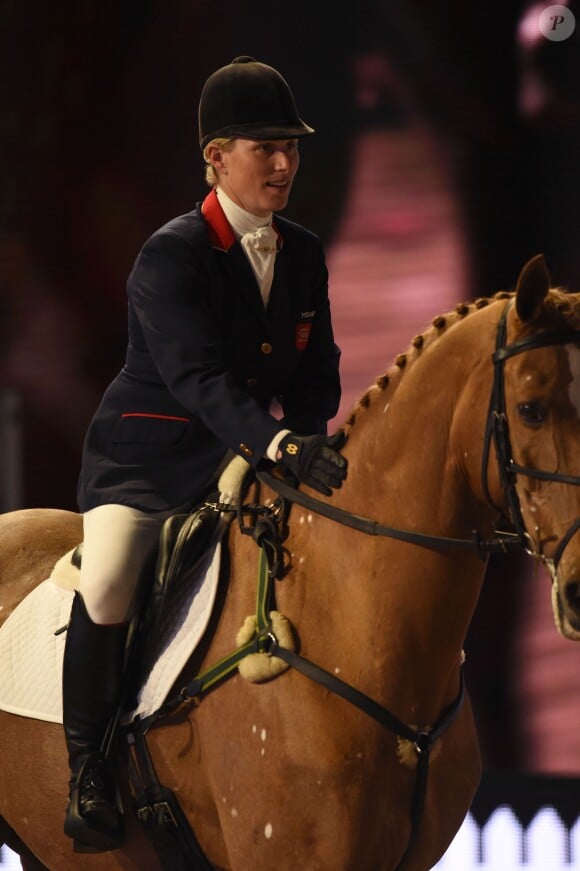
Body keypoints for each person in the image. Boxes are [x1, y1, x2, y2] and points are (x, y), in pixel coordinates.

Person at [62, 55, 347, 853]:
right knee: (113, 570)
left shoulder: (304, 251)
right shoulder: (169, 254)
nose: (286, 162)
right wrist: (277, 440)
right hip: (148, 462)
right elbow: (196, 377)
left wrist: (312, 440)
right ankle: (88, 770)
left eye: (292, 145)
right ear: (217, 157)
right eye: (266, 147)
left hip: (246, 454)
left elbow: (318, 369)